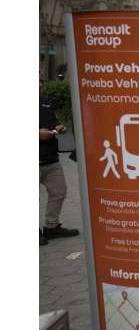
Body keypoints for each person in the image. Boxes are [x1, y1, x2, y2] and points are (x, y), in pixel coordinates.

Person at [40, 96, 79, 246]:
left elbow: (54, 122)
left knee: (59, 191)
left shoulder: (45, 102)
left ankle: (52, 227)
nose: (39, 83)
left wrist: (60, 127)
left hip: (51, 158)